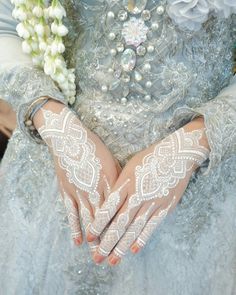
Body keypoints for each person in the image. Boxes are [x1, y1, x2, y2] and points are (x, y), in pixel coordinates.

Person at [0, 1, 236, 294]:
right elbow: (5, 24)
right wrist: (53, 121)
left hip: (199, 202)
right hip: (52, 181)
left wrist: (194, 142)